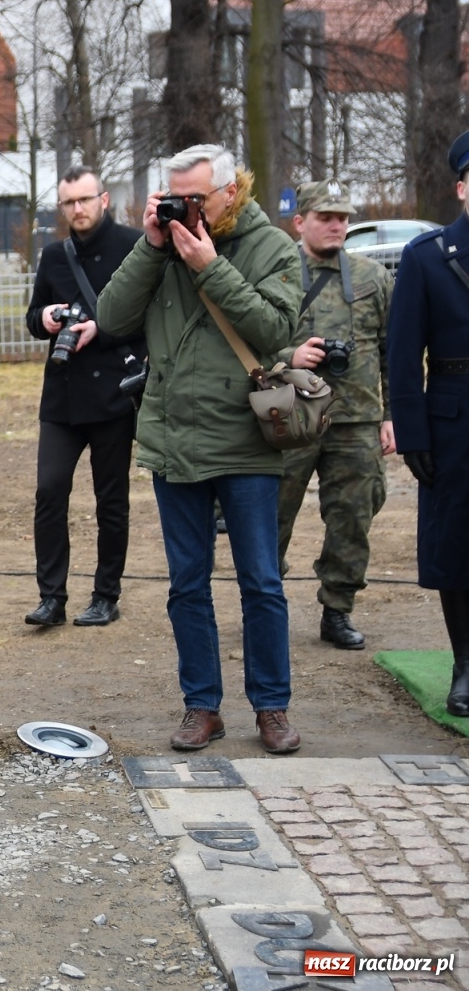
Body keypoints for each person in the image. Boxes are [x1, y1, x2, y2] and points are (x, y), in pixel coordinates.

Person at [96, 144, 302, 755]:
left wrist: (211, 266)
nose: (181, 207)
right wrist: (152, 244)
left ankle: (271, 706)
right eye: (172, 195)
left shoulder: (272, 247)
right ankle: (201, 706)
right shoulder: (162, 244)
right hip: (175, 437)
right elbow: (110, 317)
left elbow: (274, 332)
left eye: (194, 198)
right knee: (187, 584)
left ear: (230, 192)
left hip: (245, 440)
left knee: (261, 581)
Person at [22, 166, 145, 627]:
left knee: (110, 499)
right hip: (62, 397)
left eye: (84, 200)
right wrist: (47, 318)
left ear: (104, 200)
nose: (77, 209)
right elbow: (32, 318)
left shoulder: (133, 246)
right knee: (49, 492)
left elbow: (149, 318)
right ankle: (51, 597)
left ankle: (105, 595)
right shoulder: (55, 255)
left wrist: (104, 329)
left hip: (114, 394)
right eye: (69, 202)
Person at [276, 180, 394, 652]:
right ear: (300, 221)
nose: (337, 225)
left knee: (354, 515)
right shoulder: (276, 273)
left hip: (357, 417)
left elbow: (392, 351)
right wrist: (290, 354)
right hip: (289, 414)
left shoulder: (372, 277)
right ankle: (263, 602)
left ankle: (338, 609)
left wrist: (391, 414)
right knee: (269, 515)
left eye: (343, 217)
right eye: (325, 217)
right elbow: (246, 340)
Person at [388, 130, 469, 715]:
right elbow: (401, 353)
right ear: (462, 186)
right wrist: (412, 432)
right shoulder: (427, 255)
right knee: (455, 544)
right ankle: (465, 666)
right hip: (454, 417)